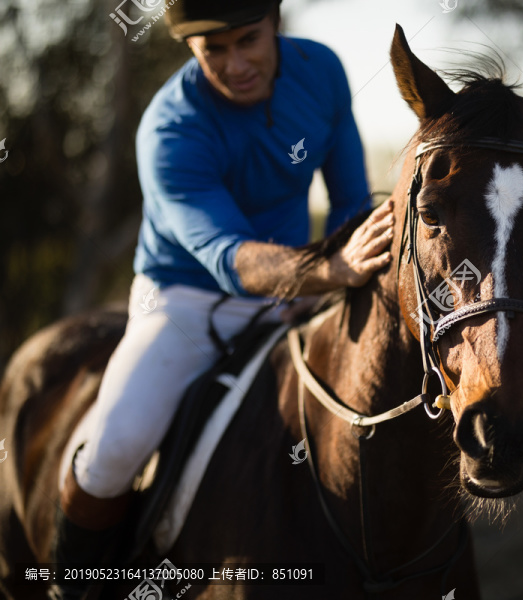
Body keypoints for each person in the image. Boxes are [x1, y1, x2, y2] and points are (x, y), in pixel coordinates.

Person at [48, 1, 393, 598]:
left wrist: (356, 257)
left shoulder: (324, 72)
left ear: (275, 23)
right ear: (190, 49)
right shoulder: (169, 127)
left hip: (300, 288)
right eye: (215, 50)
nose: (236, 64)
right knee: (113, 448)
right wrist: (331, 267)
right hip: (185, 300)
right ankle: (71, 588)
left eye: (247, 40)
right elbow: (228, 256)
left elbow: (349, 204)